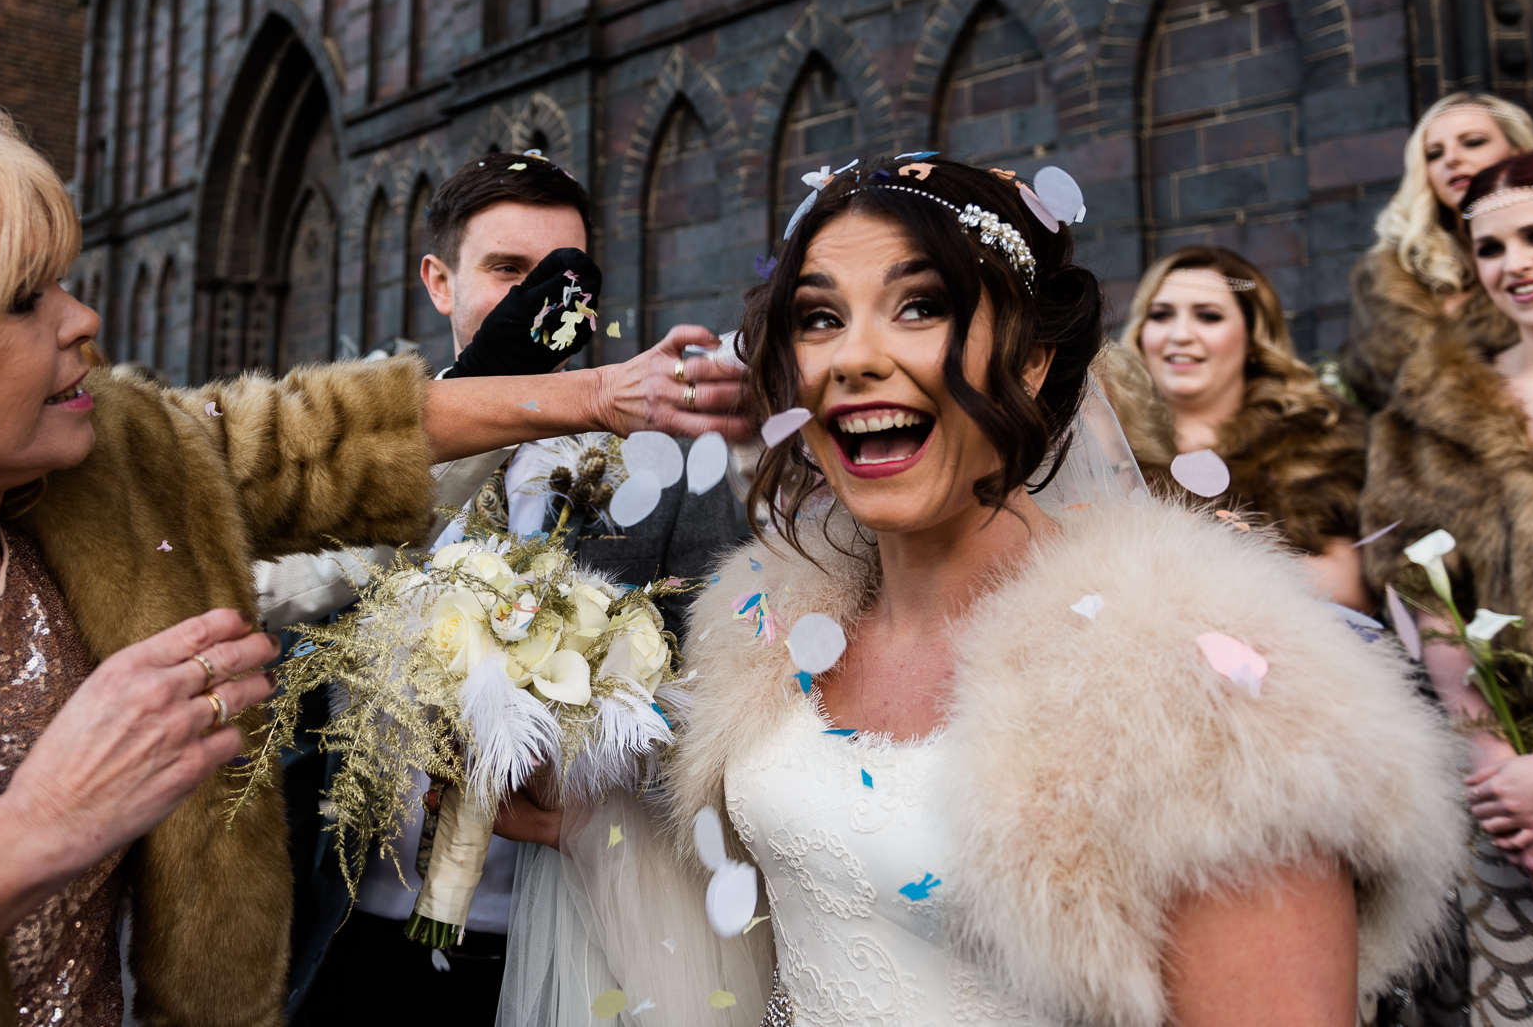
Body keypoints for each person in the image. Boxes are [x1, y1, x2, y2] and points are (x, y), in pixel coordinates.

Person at [0, 19, 747, 1027]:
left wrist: (602, 393)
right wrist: (41, 822)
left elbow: (322, 430)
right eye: (22, 299)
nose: (83, 320)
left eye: (65, 278)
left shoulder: (112, 457)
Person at [504, 155, 1466, 1027]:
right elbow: (781, 882)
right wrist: (572, 803)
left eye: (920, 306)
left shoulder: (1208, 692)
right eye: (820, 317)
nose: (854, 356)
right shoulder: (762, 634)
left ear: (1035, 358)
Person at [287, 153, 746, 1024]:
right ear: (439, 280)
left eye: (563, 275)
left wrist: (590, 740)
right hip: (357, 929)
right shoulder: (367, 458)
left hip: (559, 937)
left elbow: (724, 703)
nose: (540, 301)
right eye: (507, 270)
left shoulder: (670, 469)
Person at [1359, 151, 1533, 1023]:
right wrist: (1504, 771)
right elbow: (1423, 587)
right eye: (1491, 248)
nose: (1514, 262)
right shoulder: (1437, 403)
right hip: (1509, 795)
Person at [1123, 245, 1371, 609]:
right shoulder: (1107, 444)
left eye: (1207, 316)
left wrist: (1193, 558)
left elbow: (1346, 587)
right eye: (1161, 315)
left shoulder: (1311, 440)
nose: (1180, 334)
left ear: (1253, 337)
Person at [1345, 93, 1533, 409]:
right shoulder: (1391, 273)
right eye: (1434, 154)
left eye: (1473, 142)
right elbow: (1386, 385)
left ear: (1515, 153)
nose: (1451, 159)